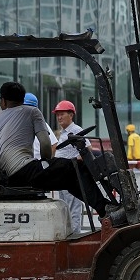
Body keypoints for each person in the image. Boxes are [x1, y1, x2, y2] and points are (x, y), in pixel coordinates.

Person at [0, 82, 118, 223]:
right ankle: (106, 209)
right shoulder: (31, 112)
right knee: (77, 168)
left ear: (3, 101)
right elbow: (46, 143)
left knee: (68, 177)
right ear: (22, 100)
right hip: (24, 171)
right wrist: (47, 162)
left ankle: (104, 209)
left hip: (5, 176)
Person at [53, 100, 87, 235]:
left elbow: (86, 151)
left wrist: (71, 163)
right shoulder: (64, 132)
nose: (59, 117)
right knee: (65, 208)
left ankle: (75, 236)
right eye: (57, 115)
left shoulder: (76, 131)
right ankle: (69, 234)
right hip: (63, 177)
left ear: (71, 115)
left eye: (62, 114)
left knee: (73, 209)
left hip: (72, 176)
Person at [24, 93, 57, 161]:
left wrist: (45, 163)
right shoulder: (18, 125)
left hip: (36, 165)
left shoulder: (42, 124)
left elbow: (53, 145)